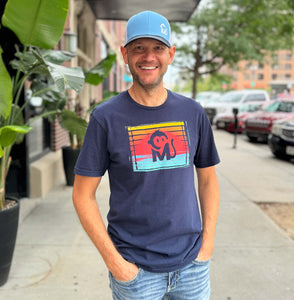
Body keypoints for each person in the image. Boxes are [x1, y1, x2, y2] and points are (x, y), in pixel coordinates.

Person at [72, 10, 220, 300]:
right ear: (124, 54)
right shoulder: (105, 117)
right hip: (135, 271)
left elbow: (208, 180)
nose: (148, 57)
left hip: (192, 266)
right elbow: (82, 194)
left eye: (158, 48)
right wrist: (116, 263)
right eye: (139, 48)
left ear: (171, 54)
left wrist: (207, 245)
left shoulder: (192, 112)